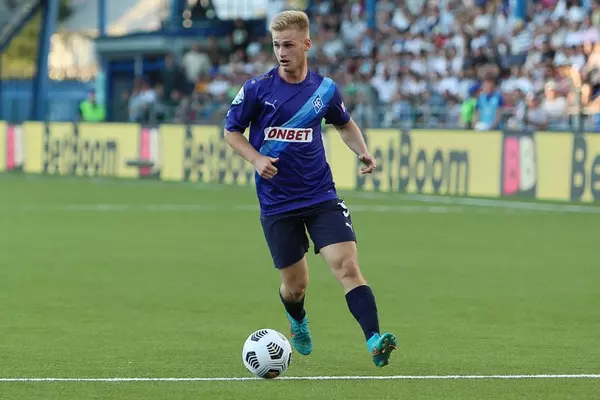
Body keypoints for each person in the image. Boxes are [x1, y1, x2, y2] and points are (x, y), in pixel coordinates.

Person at [223, 10, 397, 368]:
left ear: (306, 44)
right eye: (276, 45)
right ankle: (298, 320)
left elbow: (344, 124)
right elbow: (231, 131)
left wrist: (362, 151)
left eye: (288, 45)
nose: (281, 52)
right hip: (277, 203)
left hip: (321, 196)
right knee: (296, 287)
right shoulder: (257, 89)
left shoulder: (325, 90)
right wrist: (256, 159)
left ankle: (374, 339)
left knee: (347, 267)